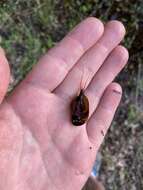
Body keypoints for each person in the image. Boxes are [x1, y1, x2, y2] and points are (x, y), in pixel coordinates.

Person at [0, 17, 128, 190]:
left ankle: (90, 178)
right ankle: (91, 179)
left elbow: (77, 113)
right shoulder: (77, 110)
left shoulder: (77, 111)